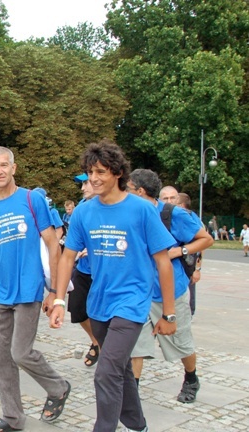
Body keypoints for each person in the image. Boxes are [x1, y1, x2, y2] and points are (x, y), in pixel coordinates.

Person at [52, 141, 176, 432]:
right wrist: (59, 300)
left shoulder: (142, 210)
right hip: (99, 303)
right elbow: (68, 256)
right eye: (89, 172)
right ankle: (138, 425)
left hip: (131, 303)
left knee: (105, 373)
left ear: (118, 173)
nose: (93, 178)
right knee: (119, 369)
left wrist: (168, 314)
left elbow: (163, 262)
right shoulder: (83, 212)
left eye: (101, 172)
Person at [0, 146, 70, 432]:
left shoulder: (32, 199)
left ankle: (58, 386)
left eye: (4, 165)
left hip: (29, 291)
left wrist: (55, 292)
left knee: (20, 353)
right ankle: (12, 418)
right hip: (0, 293)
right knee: (0, 359)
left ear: (14, 168)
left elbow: (52, 244)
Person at [127, 169, 213, 405]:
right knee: (136, 345)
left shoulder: (171, 214)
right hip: (139, 292)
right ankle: (132, 392)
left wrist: (179, 250)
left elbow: (206, 239)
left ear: (140, 191)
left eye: (128, 188)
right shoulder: (130, 213)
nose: (123, 192)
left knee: (181, 344)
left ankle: (191, 378)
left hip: (170, 291)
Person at [66, 175, 100, 367]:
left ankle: (106, 346)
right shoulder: (81, 207)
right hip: (83, 268)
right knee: (77, 310)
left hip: (104, 271)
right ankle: (96, 341)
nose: (83, 188)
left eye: (86, 183)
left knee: (103, 314)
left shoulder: (112, 206)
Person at [176, 192, 205, 316]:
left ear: (181, 205)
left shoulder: (192, 220)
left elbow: (202, 245)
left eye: (175, 201)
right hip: (183, 261)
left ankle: (189, 313)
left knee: (188, 291)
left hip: (188, 262)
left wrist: (197, 269)